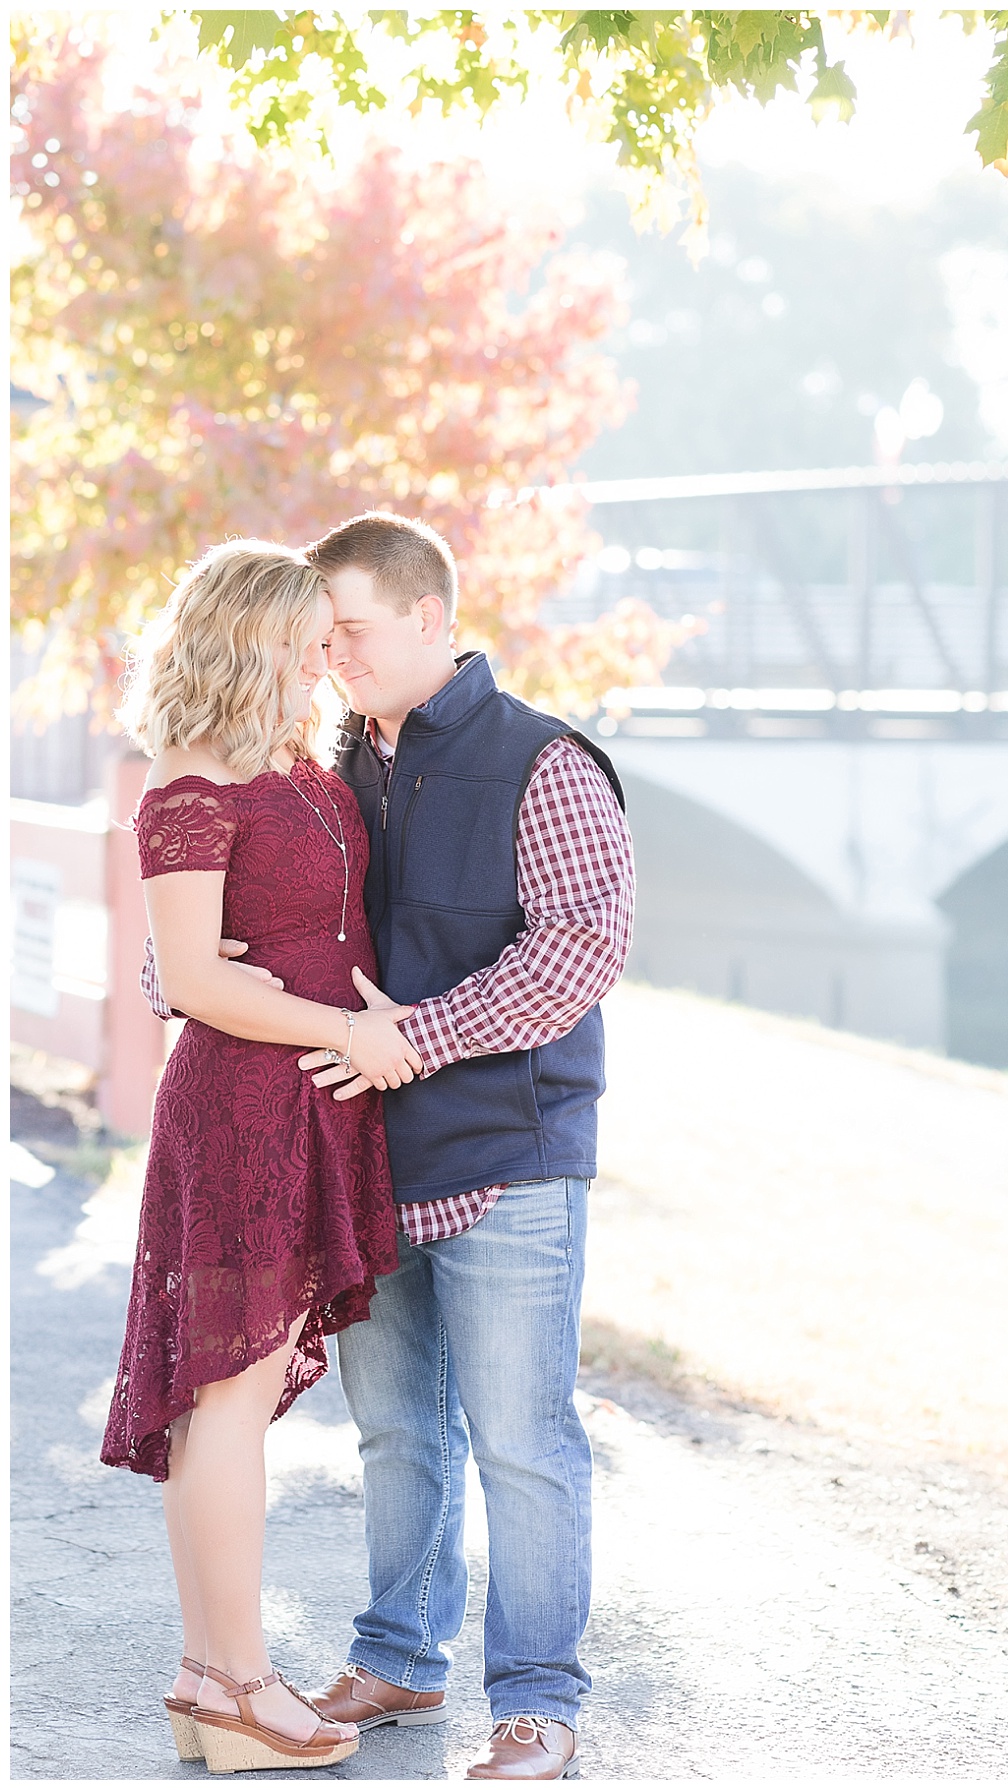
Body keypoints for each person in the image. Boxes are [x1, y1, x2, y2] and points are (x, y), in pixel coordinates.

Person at [154, 512, 636, 1779]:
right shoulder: (328, 758)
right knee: (397, 1433)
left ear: (430, 617)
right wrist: (184, 974)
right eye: (318, 636)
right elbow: (241, 897)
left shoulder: (545, 761)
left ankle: (536, 1701)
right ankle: (402, 1654)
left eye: (351, 631)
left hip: (505, 1148)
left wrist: (413, 1036)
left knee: (521, 1438)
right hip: (355, 1151)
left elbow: (579, 949)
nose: (333, 656)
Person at [103, 540, 425, 1775]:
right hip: (242, 1109)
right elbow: (190, 979)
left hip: (311, 1105)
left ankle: (207, 1678)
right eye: (301, 640)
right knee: (225, 1399)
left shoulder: (292, 761)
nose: (320, 660)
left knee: (228, 1402)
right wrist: (350, 1027)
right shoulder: (187, 785)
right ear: (248, 638)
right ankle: (238, 1680)